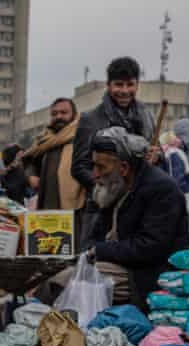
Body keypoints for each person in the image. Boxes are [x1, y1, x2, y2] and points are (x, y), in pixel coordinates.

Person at [48, 127, 189, 307]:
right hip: (120, 264)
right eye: (93, 166)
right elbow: (95, 235)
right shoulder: (115, 186)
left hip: (147, 273)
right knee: (54, 278)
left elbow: (150, 248)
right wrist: (89, 251)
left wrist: (100, 251)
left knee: (72, 284)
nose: (95, 174)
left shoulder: (162, 190)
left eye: (101, 167)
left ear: (123, 167)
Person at [72, 57, 158, 249]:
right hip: (100, 211)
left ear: (137, 85)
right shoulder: (91, 119)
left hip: (139, 208)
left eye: (130, 84)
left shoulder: (148, 117)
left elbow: (155, 157)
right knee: (93, 268)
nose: (125, 91)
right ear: (109, 85)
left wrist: (157, 157)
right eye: (119, 84)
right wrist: (105, 190)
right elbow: (79, 167)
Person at [24, 98, 85, 213]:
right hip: (47, 207)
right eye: (54, 114)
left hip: (76, 208)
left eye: (64, 113)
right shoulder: (45, 140)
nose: (59, 117)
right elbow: (29, 161)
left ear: (75, 115)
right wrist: (31, 175)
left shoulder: (83, 137)